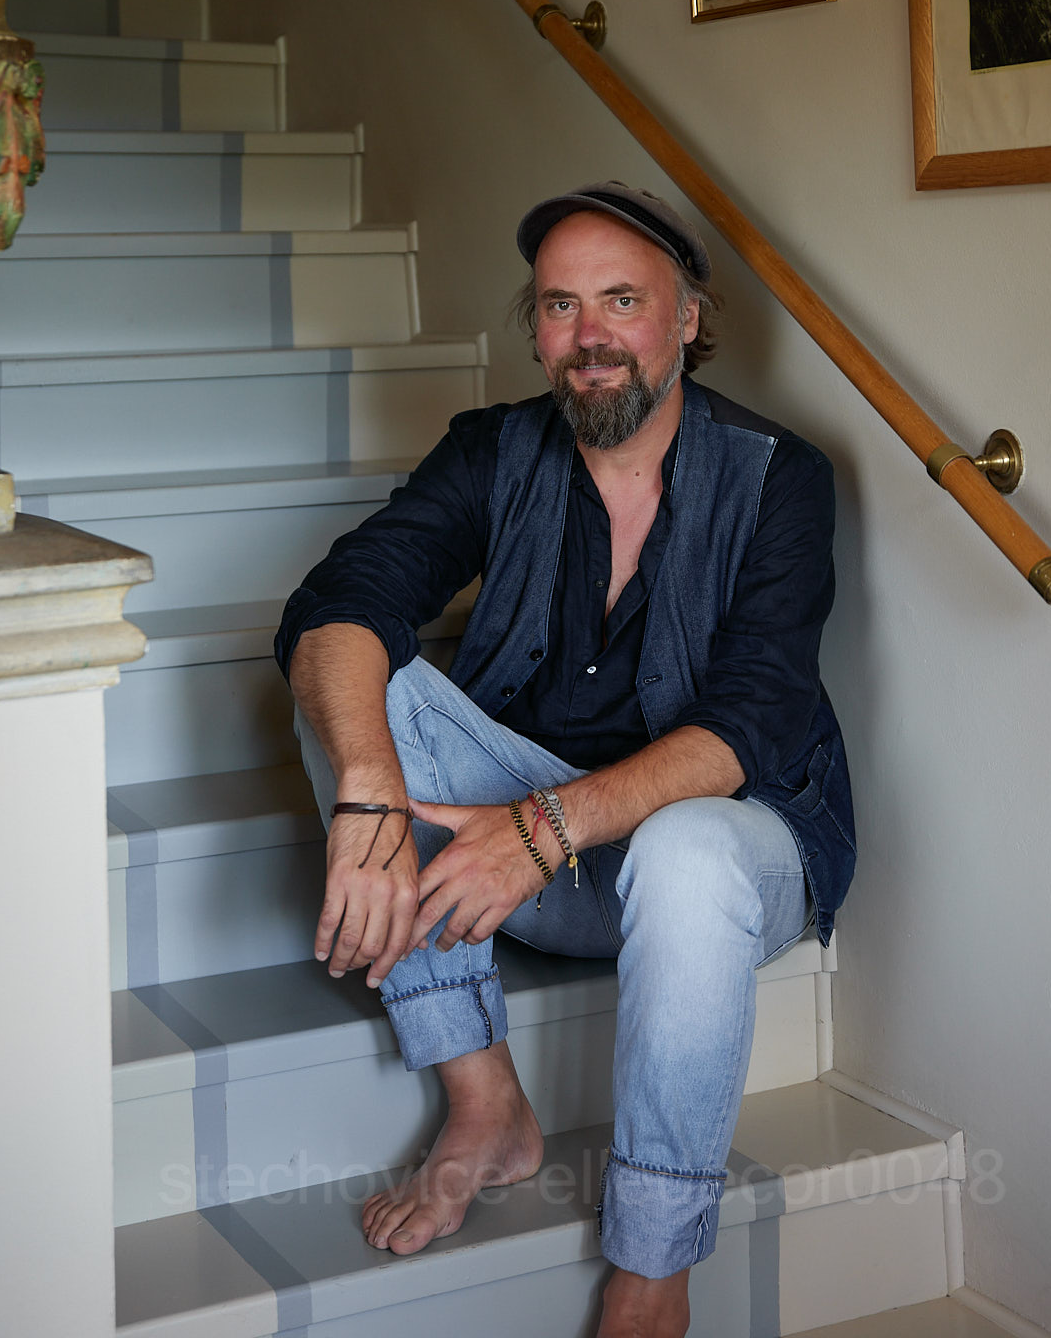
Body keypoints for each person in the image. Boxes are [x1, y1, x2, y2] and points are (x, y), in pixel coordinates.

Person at [275, 182, 854, 1338]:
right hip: (518, 860)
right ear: (536, 329)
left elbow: (746, 725)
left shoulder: (777, 475)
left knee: (686, 849)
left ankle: (653, 1265)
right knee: (349, 683)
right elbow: (343, 595)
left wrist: (539, 829)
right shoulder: (492, 451)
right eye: (558, 306)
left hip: (722, 858)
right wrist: (371, 797)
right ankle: (483, 1101)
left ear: (685, 319)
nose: (588, 335)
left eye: (621, 301)